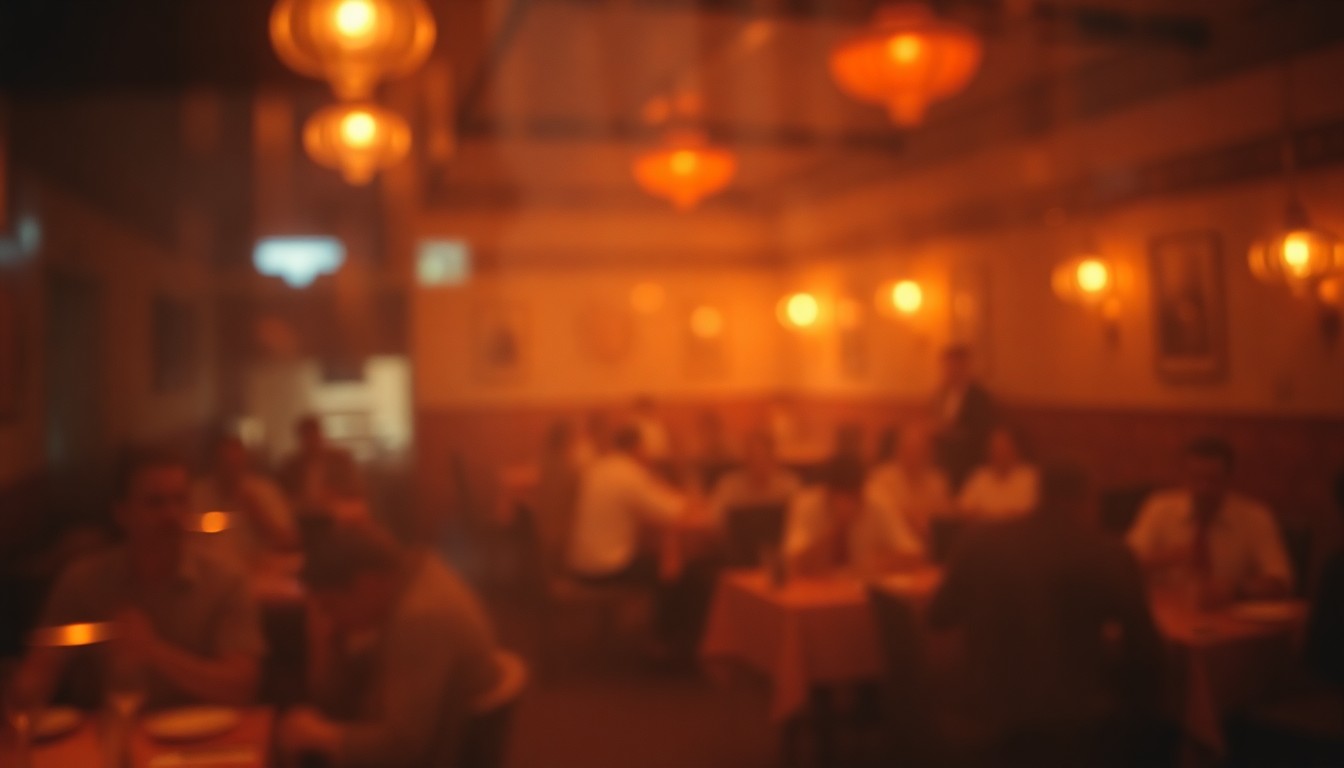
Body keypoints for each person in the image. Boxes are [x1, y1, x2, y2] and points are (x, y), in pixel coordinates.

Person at [930, 464, 1166, 767]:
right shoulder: (1110, 553)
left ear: (1038, 494)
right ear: (1089, 501)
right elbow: (1146, 651)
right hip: (1073, 723)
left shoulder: (979, 540)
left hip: (985, 715)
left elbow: (938, 616)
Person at [12, 450, 265, 709]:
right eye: (155, 503)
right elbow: (39, 672)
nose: (171, 514)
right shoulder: (82, 582)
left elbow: (242, 687)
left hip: (207, 742)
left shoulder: (226, 581)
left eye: (180, 500)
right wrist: (21, 689)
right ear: (122, 513)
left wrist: (153, 651)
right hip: (106, 739)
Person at [277, 521, 501, 768]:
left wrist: (322, 736)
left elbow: (402, 746)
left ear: (368, 584)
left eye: (330, 606)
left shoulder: (420, 619)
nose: (329, 620)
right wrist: (330, 644)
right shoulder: (416, 577)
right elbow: (334, 699)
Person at [565, 426, 704, 654]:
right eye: (645, 449)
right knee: (673, 570)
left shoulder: (598, 467)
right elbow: (672, 511)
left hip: (579, 564)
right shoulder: (630, 474)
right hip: (606, 567)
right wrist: (691, 500)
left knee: (659, 559)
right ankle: (667, 642)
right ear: (638, 448)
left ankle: (663, 636)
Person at [1126, 436, 1293, 605]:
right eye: (1196, 479)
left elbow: (1281, 582)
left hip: (1230, 618)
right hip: (1168, 615)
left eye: (1213, 480)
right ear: (1183, 476)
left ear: (1229, 478)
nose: (1204, 488)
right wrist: (1170, 557)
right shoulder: (1159, 508)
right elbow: (1124, 565)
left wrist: (1235, 590)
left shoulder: (1256, 517)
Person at [784, 457, 920, 576]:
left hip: (863, 593)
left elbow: (913, 555)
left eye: (856, 496)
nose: (849, 503)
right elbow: (793, 563)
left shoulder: (878, 503)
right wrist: (837, 529)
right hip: (815, 594)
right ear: (827, 493)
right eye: (842, 497)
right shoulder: (807, 505)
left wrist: (882, 563)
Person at [192, 433, 298, 564]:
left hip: (260, 571)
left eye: (236, 464)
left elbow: (289, 542)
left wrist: (256, 510)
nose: (231, 472)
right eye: (226, 464)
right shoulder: (199, 494)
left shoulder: (265, 491)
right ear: (215, 464)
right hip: (212, 571)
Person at [865, 422, 951, 560]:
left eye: (920, 451)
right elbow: (884, 519)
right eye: (909, 449)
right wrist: (912, 519)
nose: (913, 455)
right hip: (892, 554)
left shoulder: (937, 482)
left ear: (928, 454)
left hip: (930, 553)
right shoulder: (882, 478)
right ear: (898, 451)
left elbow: (944, 522)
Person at [931, 345, 997, 491]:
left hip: (968, 462)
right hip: (942, 460)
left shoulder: (979, 397)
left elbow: (981, 432)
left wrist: (950, 431)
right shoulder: (940, 394)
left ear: (966, 367)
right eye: (948, 366)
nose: (952, 371)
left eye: (956, 366)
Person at [708, 430, 801, 525]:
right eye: (753, 458)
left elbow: (800, 521)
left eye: (763, 458)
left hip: (780, 540)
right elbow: (714, 519)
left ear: (772, 459)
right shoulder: (729, 486)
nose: (758, 464)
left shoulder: (788, 485)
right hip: (740, 539)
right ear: (745, 460)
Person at [278, 415, 363, 515]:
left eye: (314, 436)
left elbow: (356, 489)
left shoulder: (341, 460)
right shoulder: (291, 465)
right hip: (303, 513)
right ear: (300, 439)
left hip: (337, 509)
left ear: (321, 435)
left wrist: (333, 493)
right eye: (306, 437)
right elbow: (281, 494)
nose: (311, 442)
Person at [956, 426, 1039, 521]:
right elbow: (963, 509)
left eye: (1004, 446)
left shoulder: (1028, 476)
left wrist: (987, 515)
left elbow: (1026, 513)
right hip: (981, 532)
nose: (999, 452)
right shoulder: (979, 475)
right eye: (995, 447)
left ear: (1016, 449)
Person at [630, 395, 672, 462]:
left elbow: (664, 445)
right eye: (644, 408)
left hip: (660, 458)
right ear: (639, 409)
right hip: (643, 460)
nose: (647, 410)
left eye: (648, 408)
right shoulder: (634, 425)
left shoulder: (656, 424)